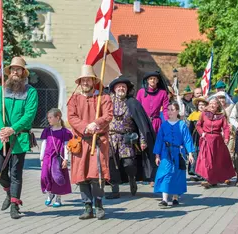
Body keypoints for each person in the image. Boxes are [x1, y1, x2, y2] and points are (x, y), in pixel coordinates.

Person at [0, 57, 38, 219]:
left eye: (18, 69)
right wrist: (3, 130)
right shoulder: (1, 90)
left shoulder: (31, 92)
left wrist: (13, 129)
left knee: (16, 173)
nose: (15, 72)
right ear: (9, 72)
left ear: (23, 72)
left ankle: (14, 205)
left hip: (19, 138)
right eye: (13, 69)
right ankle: (8, 192)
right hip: (2, 137)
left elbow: (29, 115)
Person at [67, 65, 113, 220]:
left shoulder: (103, 97)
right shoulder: (74, 98)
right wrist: (86, 126)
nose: (85, 82)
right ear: (80, 82)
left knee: (96, 174)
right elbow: (71, 117)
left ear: (94, 81)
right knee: (82, 176)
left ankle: (99, 205)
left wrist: (97, 123)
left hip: (98, 141)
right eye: (83, 80)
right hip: (80, 142)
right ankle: (87, 207)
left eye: (88, 79)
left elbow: (108, 115)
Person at [106, 76, 156, 199]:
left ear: (127, 89)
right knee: (112, 164)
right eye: (119, 86)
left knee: (129, 163)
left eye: (124, 86)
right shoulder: (107, 102)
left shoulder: (133, 103)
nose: (121, 88)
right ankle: (115, 190)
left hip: (127, 139)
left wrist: (143, 140)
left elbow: (141, 123)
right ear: (114, 89)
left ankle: (132, 178)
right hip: (111, 138)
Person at [153, 102, 195, 208]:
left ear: (177, 111)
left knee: (177, 174)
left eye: (172, 109)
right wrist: (157, 155)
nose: (170, 112)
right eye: (168, 110)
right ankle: (165, 199)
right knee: (166, 173)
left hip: (178, 153)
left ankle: (175, 197)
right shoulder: (164, 125)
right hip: (166, 153)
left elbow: (187, 139)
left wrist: (190, 154)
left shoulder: (182, 125)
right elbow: (159, 140)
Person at [136, 71, 169, 187]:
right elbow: (137, 108)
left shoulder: (162, 93)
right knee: (144, 149)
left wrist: (167, 123)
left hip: (156, 123)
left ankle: (155, 176)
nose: (153, 81)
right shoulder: (141, 92)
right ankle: (145, 175)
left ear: (158, 81)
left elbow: (165, 109)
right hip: (143, 123)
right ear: (147, 81)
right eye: (150, 79)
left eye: (155, 79)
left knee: (156, 150)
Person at [195, 97, 236, 189]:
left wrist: (226, 137)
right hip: (207, 139)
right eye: (211, 103)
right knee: (207, 160)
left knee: (216, 161)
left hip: (217, 140)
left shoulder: (221, 116)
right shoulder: (204, 114)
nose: (212, 105)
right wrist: (202, 133)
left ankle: (214, 180)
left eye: (214, 103)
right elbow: (198, 125)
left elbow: (225, 128)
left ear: (218, 105)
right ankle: (208, 179)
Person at [40, 108, 72, 207]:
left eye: (50, 117)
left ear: (57, 117)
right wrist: (41, 158)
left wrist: (66, 159)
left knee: (58, 177)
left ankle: (58, 198)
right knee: (44, 176)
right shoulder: (47, 130)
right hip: (47, 157)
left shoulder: (64, 132)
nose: (48, 120)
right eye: (48, 118)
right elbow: (44, 144)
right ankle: (50, 194)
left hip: (58, 158)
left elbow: (66, 145)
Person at [187, 96, 208, 181]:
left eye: (203, 105)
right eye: (200, 105)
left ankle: (204, 173)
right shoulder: (193, 115)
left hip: (205, 137)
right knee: (196, 154)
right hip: (196, 137)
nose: (201, 106)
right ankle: (196, 172)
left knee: (204, 155)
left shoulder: (208, 114)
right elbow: (190, 128)